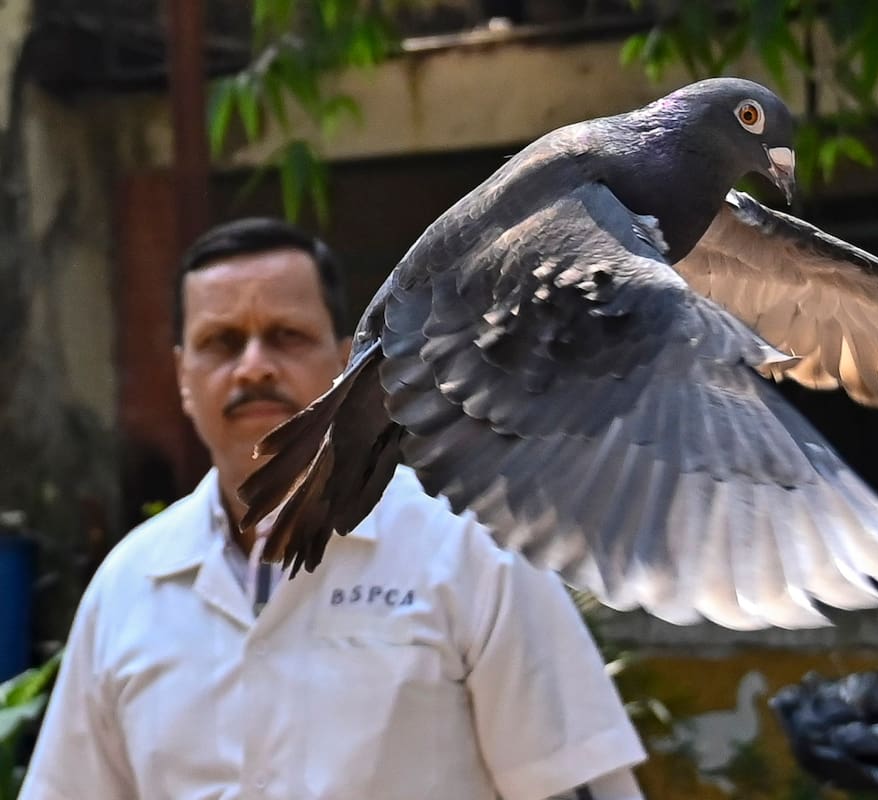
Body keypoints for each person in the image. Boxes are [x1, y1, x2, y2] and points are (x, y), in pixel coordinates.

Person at [19, 218, 646, 800]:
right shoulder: (128, 586)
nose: (254, 366)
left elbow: (577, 783)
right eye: (221, 341)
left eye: (285, 336)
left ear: (346, 359)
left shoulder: (469, 548)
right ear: (183, 375)